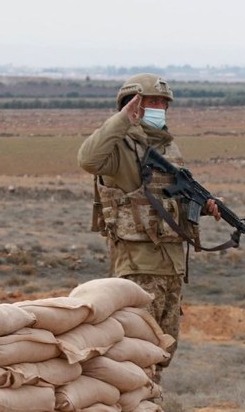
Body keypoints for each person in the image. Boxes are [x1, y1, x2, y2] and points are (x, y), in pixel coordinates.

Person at [77, 73, 220, 382]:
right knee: (138, 349)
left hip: (172, 267)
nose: (158, 108)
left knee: (163, 351)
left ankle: (151, 401)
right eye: (150, 102)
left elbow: (171, 200)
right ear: (131, 105)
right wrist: (121, 120)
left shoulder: (169, 149)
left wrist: (205, 206)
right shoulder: (119, 150)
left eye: (162, 103)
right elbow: (88, 159)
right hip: (138, 267)